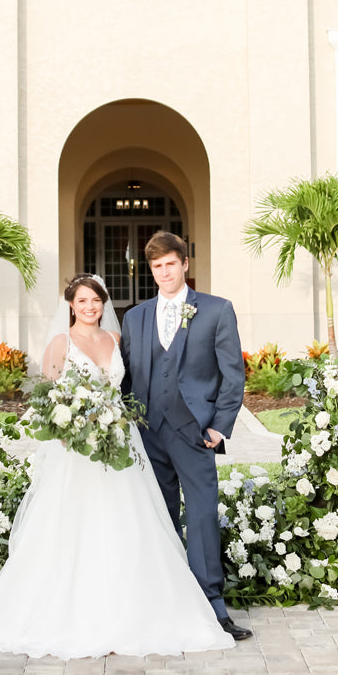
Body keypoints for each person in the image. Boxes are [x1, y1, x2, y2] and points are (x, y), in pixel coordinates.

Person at [0, 274, 234, 659]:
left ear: (104, 304)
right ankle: (70, 612)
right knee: (76, 527)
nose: (90, 307)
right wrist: (74, 428)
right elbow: (47, 400)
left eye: (96, 301)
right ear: (70, 304)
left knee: (129, 523)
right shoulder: (60, 344)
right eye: (83, 301)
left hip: (120, 443)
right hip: (77, 452)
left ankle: (134, 607)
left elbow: (132, 386)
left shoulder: (115, 340)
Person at [120, 233, 252, 641]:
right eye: (157, 266)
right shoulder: (135, 317)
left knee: (201, 516)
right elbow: (125, 376)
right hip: (148, 433)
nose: (164, 272)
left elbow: (234, 375)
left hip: (195, 433)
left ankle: (213, 605)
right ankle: (164, 602)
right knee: (159, 519)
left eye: (171, 264)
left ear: (185, 264)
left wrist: (219, 425)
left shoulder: (215, 310)